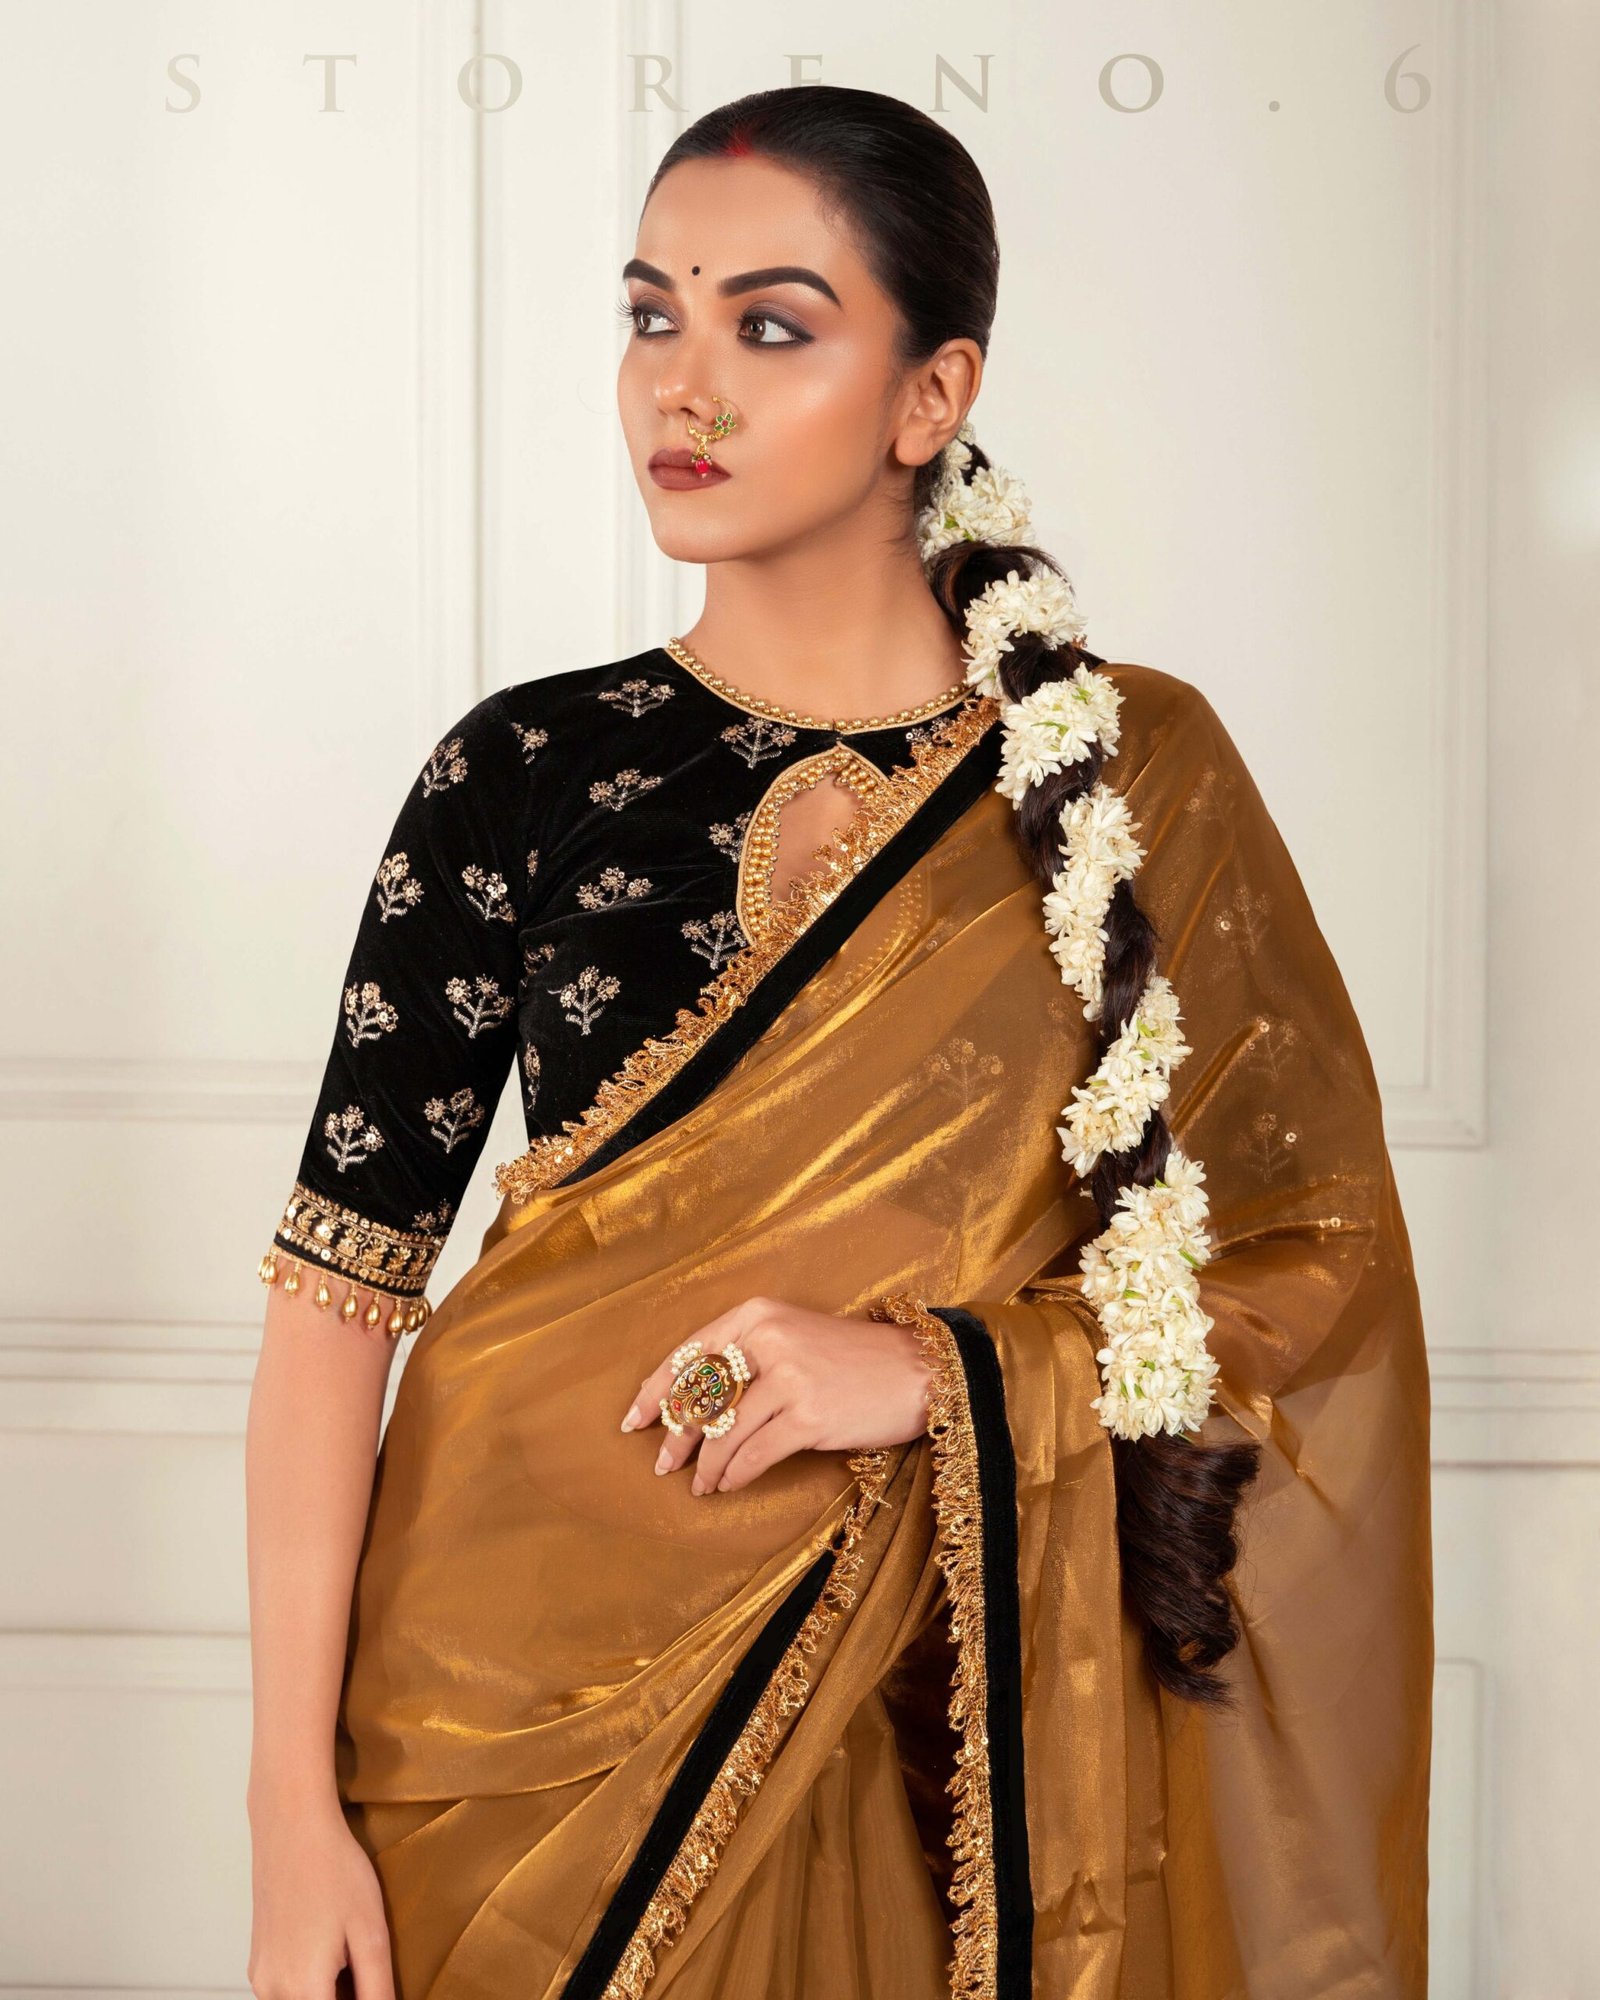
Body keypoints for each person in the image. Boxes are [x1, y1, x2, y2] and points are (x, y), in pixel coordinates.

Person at [244, 84, 1433, 2000]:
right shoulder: (519, 770)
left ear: (930, 394)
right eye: (652, 314)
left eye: (770, 327)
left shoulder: (1130, 777)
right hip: (495, 1720)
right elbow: (335, 1304)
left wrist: (931, 1377)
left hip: (923, 1722)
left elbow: (1311, 1266)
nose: (681, 386)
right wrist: (287, 1812)